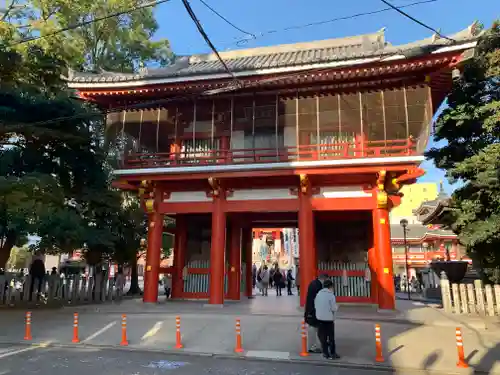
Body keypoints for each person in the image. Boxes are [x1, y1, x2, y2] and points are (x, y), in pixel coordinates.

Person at [314, 279, 340, 359]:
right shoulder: (331, 295)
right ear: (330, 286)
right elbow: (333, 308)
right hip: (328, 319)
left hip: (319, 319)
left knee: (323, 337)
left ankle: (325, 353)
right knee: (331, 338)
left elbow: (315, 305)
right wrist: (337, 307)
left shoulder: (318, 294)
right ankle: (332, 353)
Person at [304, 273, 329, 353]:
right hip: (313, 311)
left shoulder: (314, 283)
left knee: (318, 328)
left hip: (311, 310)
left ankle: (320, 344)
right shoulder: (318, 286)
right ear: (324, 279)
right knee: (313, 328)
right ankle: (312, 347)